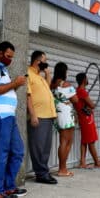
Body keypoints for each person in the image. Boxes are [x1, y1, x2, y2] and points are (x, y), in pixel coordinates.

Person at [0, 41, 27, 198]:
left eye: (12, 57)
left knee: (17, 151)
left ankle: (8, 186)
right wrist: (14, 83)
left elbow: (4, 90)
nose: (10, 59)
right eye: (8, 56)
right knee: (1, 154)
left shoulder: (3, 70)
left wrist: (15, 85)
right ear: (0, 53)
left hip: (9, 116)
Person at [27, 51, 58, 184]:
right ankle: (41, 174)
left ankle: (44, 172)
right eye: (45, 60)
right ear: (38, 61)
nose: (47, 63)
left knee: (45, 147)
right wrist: (33, 115)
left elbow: (48, 87)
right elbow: (27, 95)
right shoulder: (28, 73)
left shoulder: (39, 76)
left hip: (48, 116)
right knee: (38, 146)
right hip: (38, 115)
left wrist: (48, 74)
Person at [50, 62, 78, 177]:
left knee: (63, 141)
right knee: (66, 142)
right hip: (66, 113)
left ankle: (62, 168)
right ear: (64, 72)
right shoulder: (65, 84)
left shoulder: (51, 84)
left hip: (58, 114)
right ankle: (62, 169)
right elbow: (75, 100)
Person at [75, 73, 100, 169]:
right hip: (87, 119)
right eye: (87, 78)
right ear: (84, 79)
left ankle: (82, 162)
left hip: (83, 118)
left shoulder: (77, 91)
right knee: (91, 141)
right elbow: (92, 105)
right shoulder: (82, 92)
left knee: (84, 141)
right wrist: (90, 106)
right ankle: (97, 162)